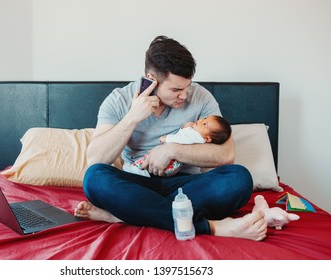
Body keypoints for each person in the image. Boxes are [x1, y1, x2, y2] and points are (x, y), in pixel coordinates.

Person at [75, 35, 267, 241]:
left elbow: (226, 154)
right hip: (137, 185)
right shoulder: (118, 100)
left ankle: (129, 214)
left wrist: (171, 150)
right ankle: (212, 227)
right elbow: (95, 158)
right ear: (151, 79)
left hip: (187, 186)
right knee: (95, 177)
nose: (184, 96)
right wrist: (132, 117)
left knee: (239, 178)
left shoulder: (200, 96)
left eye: (187, 87)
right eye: (176, 89)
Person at [123, 115, 232, 177]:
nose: (201, 121)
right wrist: (186, 127)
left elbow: (181, 139)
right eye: (205, 118)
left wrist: (166, 139)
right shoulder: (196, 134)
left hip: (173, 163)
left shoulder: (197, 137)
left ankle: (135, 169)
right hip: (174, 167)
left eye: (204, 124)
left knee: (148, 157)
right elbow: (183, 135)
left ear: (207, 139)